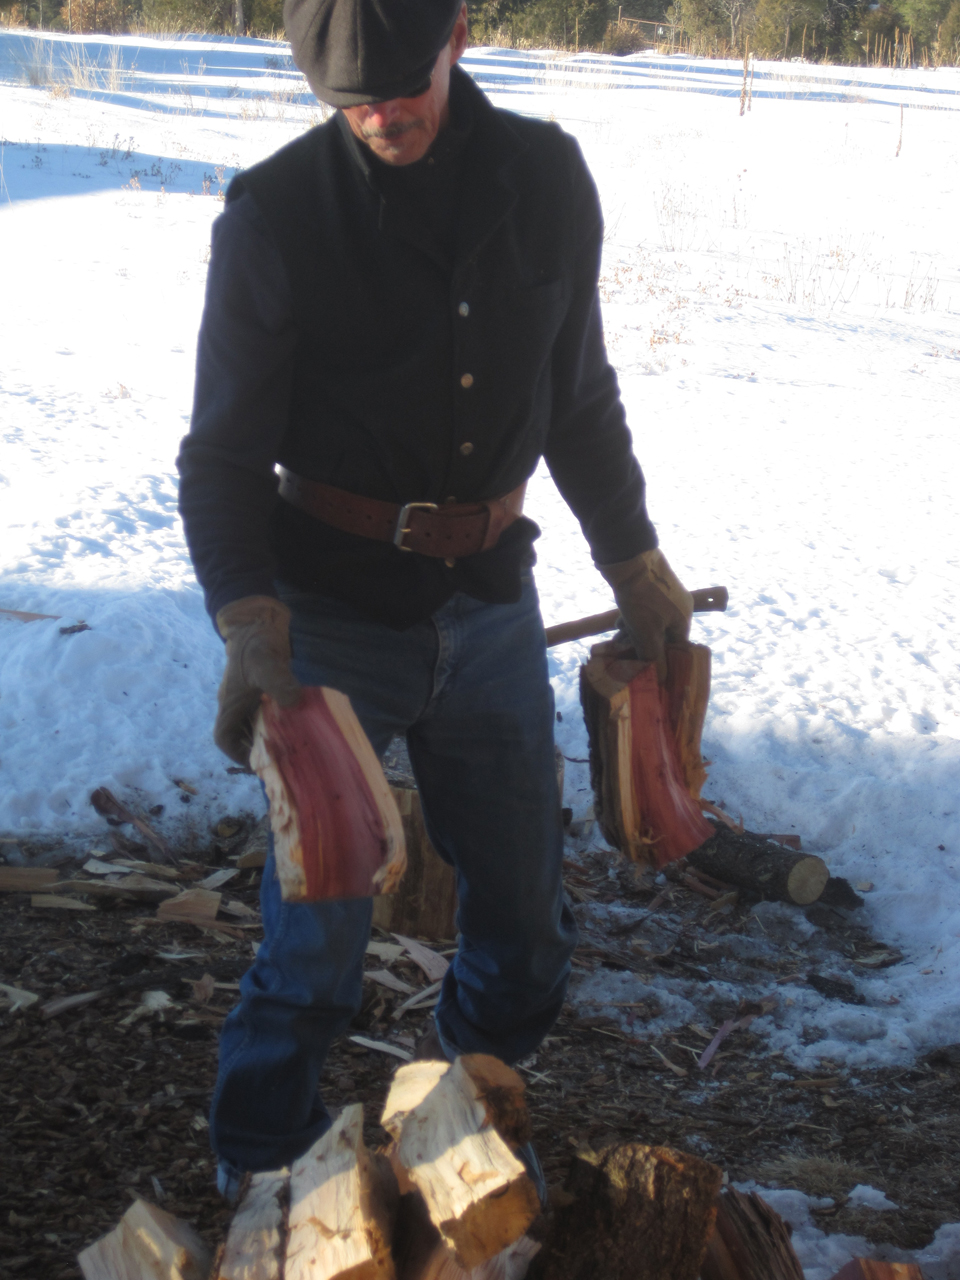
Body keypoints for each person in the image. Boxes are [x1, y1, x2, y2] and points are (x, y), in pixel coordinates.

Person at [177, 0, 694, 1203]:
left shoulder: (546, 179)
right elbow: (221, 454)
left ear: (457, 33)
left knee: (527, 927)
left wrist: (633, 557)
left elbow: (577, 392)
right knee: (317, 932)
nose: (380, 116)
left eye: (401, 85)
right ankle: (263, 1168)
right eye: (349, 100)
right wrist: (249, 617)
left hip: (493, 602)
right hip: (327, 614)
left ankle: (459, 1119)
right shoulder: (274, 214)